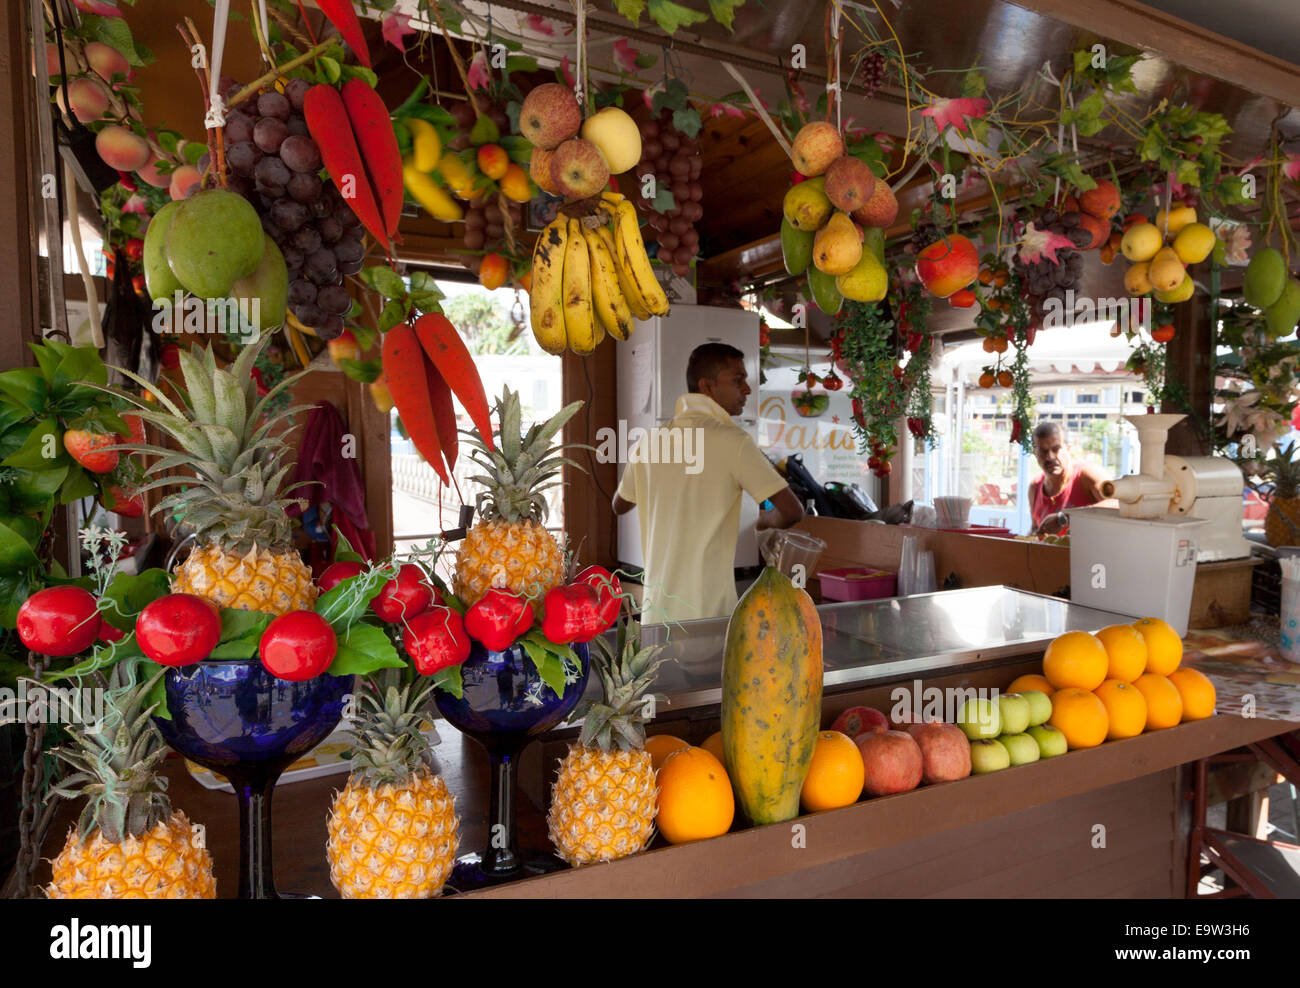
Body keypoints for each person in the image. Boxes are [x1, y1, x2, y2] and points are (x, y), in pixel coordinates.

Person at [613, 342, 804, 623]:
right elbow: (792, 511)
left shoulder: (650, 441)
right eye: (738, 380)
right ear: (707, 386)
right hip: (709, 616)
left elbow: (620, 504)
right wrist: (764, 523)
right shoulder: (733, 440)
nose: (747, 390)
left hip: (656, 616)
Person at [1028, 421, 1109, 535]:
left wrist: (1063, 518)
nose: (1050, 457)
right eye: (1043, 451)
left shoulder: (1087, 475)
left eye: (1056, 449)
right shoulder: (1035, 486)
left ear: (1068, 448)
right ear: (1035, 454)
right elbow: (1035, 530)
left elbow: (1117, 504)